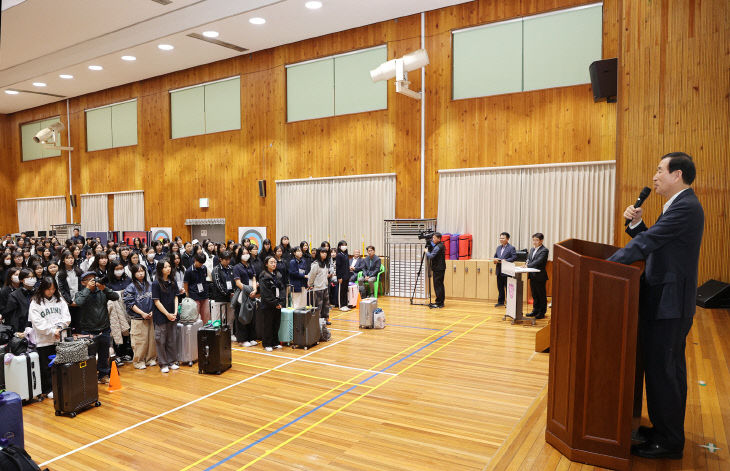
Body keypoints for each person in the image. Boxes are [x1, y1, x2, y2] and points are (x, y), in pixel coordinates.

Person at [607, 152, 703, 460]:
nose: (654, 177)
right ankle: (665, 430)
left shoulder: (685, 206)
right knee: (666, 371)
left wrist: (605, 267)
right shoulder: (678, 205)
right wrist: (637, 225)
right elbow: (656, 243)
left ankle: (669, 441)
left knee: (665, 372)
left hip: (669, 303)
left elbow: (647, 245)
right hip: (666, 301)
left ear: (677, 175)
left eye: (660, 170)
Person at [74, 271, 120, 384]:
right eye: (89, 280)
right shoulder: (80, 293)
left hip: (104, 328)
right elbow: (78, 302)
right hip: (88, 331)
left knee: (104, 355)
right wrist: (88, 289)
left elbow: (115, 296)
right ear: (83, 283)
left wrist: (104, 288)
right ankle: (89, 378)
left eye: (94, 279)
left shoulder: (102, 292)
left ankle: (103, 375)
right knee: (90, 357)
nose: (93, 281)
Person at [28, 276, 71, 396]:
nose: (51, 291)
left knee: (60, 364)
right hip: (44, 340)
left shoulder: (60, 300)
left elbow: (66, 317)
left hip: (60, 338)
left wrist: (59, 328)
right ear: (42, 288)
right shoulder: (35, 302)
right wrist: (52, 331)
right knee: (47, 367)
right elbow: (37, 323)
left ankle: (61, 386)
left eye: (53, 289)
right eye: (49, 289)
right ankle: (48, 390)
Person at [123, 264, 156, 370]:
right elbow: (130, 304)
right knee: (139, 341)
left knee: (151, 340)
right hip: (138, 318)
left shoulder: (150, 284)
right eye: (138, 271)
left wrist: (152, 311)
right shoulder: (130, 287)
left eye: (142, 271)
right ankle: (139, 361)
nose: (141, 273)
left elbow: (155, 299)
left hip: (150, 317)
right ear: (133, 274)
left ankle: (150, 359)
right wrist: (142, 313)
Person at [151, 260, 179, 373]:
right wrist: (167, 314)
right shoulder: (156, 283)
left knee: (171, 339)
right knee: (161, 340)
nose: (168, 268)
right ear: (160, 269)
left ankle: (172, 361)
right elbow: (157, 302)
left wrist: (175, 312)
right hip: (161, 315)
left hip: (173, 313)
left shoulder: (172, 281)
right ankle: (163, 363)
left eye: (169, 266)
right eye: (165, 267)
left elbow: (176, 297)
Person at [258, 256, 284, 352]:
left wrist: (281, 301)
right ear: (266, 264)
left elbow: (282, 289)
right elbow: (265, 293)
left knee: (276, 323)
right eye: (271, 262)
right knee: (268, 324)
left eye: (275, 262)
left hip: (278, 304)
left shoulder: (278, 274)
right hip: (268, 305)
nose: (274, 264)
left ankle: (275, 342)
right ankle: (267, 344)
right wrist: (275, 303)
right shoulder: (263, 276)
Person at [233, 248, 258, 347]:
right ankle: (242, 340)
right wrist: (248, 290)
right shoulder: (237, 267)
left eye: (247, 253)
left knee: (252, 316)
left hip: (252, 293)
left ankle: (251, 337)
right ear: (239, 255)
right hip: (242, 294)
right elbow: (238, 283)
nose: (246, 255)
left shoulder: (251, 265)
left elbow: (254, 279)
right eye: (243, 253)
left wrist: (255, 290)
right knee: (242, 316)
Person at [210, 250, 235, 332]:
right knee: (219, 319)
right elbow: (218, 284)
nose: (228, 261)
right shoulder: (216, 270)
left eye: (229, 259)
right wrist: (228, 294)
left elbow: (235, 281)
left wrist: (233, 293)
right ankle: (218, 335)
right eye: (226, 259)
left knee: (230, 318)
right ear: (220, 259)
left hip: (231, 298)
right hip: (220, 298)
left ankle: (230, 334)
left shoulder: (231, 268)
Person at [525, 233, 548, 319]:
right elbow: (529, 259)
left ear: (541, 241)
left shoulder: (544, 250)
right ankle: (535, 310)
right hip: (532, 275)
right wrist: (526, 263)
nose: (534, 242)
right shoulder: (531, 249)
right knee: (534, 294)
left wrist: (528, 265)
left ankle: (542, 312)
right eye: (533, 240)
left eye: (536, 240)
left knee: (541, 294)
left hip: (540, 276)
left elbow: (538, 261)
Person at [183, 252, 210, 323]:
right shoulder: (189, 271)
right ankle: (195, 333)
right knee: (195, 317)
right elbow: (185, 283)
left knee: (206, 317)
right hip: (194, 295)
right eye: (199, 263)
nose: (201, 265)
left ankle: (205, 333)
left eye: (202, 263)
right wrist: (187, 294)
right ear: (195, 260)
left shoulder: (204, 268)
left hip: (204, 295)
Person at [307, 248, 331, 325]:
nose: (325, 254)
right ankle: (318, 321)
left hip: (325, 286)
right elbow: (311, 276)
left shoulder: (325, 263)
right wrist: (310, 284)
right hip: (318, 288)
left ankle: (325, 319)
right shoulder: (315, 264)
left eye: (326, 252)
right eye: (322, 252)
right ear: (318, 253)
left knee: (326, 305)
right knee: (318, 306)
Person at [493, 232, 517, 307]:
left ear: (507, 239)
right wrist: (495, 260)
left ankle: (509, 303)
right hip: (499, 270)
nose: (501, 239)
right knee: (500, 287)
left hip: (507, 271)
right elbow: (495, 256)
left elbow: (514, 257)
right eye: (500, 238)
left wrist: (506, 260)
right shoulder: (498, 248)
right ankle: (500, 302)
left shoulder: (511, 248)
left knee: (508, 288)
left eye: (503, 238)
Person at [424, 232, 446, 309]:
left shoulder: (438, 247)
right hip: (440, 268)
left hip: (438, 268)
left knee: (438, 286)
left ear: (438, 239)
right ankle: (440, 302)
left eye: (434, 238)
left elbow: (431, 256)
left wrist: (426, 252)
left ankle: (439, 303)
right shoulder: (440, 245)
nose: (433, 239)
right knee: (440, 285)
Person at [335, 241, 350, 311]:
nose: (344, 246)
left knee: (345, 291)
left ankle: (345, 304)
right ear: (339, 246)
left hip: (346, 276)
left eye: (345, 245)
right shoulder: (339, 255)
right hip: (341, 277)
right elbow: (338, 267)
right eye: (343, 245)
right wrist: (339, 277)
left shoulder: (346, 254)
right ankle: (341, 305)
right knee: (341, 291)